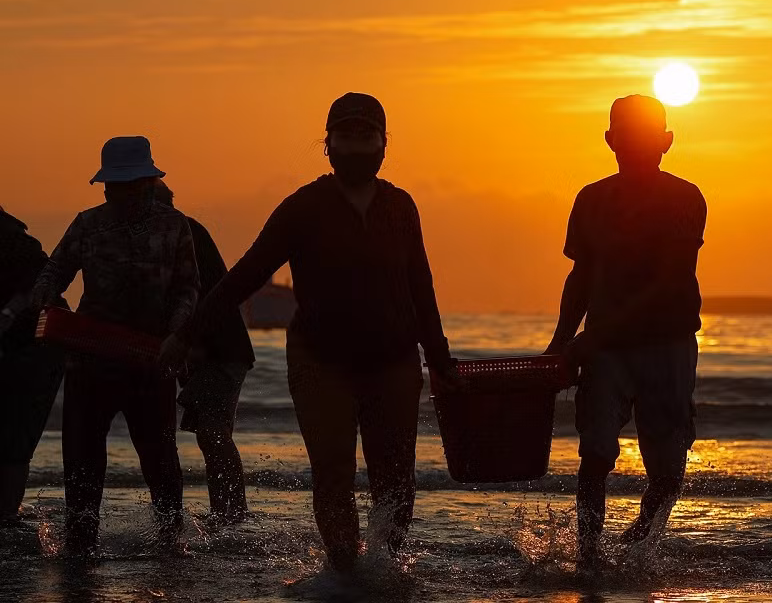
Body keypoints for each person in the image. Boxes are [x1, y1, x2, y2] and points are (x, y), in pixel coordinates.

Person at [160, 92, 457, 573]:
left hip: (394, 361)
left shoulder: (401, 207)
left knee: (396, 480)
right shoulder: (304, 207)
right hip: (320, 362)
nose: (358, 146)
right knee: (333, 474)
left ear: (385, 144)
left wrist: (440, 360)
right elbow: (246, 275)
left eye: (367, 137)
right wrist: (187, 334)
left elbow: (421, 287)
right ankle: (343, 575)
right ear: (328, 144)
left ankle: (386, 570)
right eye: (346, 136)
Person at [543, 94, 707, 571]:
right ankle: (589, 557)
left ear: (666, 143)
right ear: (610, 141)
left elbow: (668, 282)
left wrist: (584, 341)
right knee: (595, 453)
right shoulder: (591, 199)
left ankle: (637, 544)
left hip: (668, 343)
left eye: (646, 138)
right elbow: (580, 278)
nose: (635, 147)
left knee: (668, 464)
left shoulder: (685, 198)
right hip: (605, 351)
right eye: (626, 137)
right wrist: (560, 342)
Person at [27, 136, 200, 555]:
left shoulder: (174, 227)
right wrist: (49, 301)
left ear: (146, 182)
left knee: (160, 459)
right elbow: (53, 273)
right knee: (82, 461)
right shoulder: (87, 224)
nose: (119, 193)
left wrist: (176, 338)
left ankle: (169, 542)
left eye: (127, 185)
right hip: (90, 357)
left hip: (150, 358)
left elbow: (188, 289)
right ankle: (80, 543)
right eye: (112, 187)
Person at [153, 180, 255, 523]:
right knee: (210, 434)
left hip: (218, 350)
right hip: (209, 348)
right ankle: (226, 511)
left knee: (212, 433)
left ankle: (234, 513)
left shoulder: (182, 234)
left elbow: (195, 294)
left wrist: (188, 343)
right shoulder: (183, 230)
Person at [0, 206, 68, 529]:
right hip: (17, 347)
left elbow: (44, 280)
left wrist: (10, 313)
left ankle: (9, 516)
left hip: (39, 346)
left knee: (14, 439)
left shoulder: (12, 238)